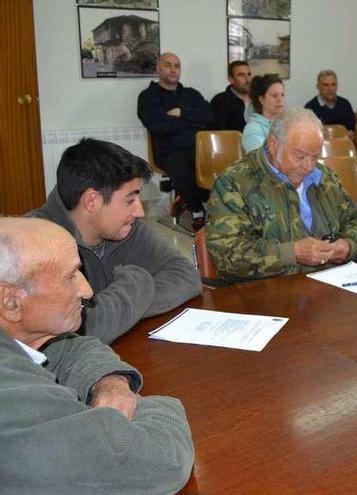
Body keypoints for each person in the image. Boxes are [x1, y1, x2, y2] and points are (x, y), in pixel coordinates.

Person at [0, 217, 194, 493]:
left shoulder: (23, 335)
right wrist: (157, 406)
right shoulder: (11, 397)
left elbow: (69, 347)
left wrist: (112, 384)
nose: (87, 291)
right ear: (11, 303)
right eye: (70, 276)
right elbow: (162, 463)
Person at [28, 138, 201, 344]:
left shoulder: (126, 228)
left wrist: (118, 314)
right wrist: (138, 280)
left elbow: (187, 277)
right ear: (92, 201)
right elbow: (81, 329)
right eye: (130, 200)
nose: (140, 212)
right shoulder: (33, 248)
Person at [206, 108, 357, 282]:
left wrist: (348, 246)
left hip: (331, 286)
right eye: (300, 156)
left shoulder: (325, 177)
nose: (308, 166)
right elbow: (227, 255)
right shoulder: (235, 183)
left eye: (315, 157)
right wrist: (292, 253)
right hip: (269, 293)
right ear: (273, 144)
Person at [137, 52, 214, 228]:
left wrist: (182, 114)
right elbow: (160, 127)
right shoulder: (148, 97)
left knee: (222, 165)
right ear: (158, 68)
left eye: (177, 66)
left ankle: (188, 198)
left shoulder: (191, 94)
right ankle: (197, 209)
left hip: (200, 149)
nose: (173, 70)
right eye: (168, 65)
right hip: (169, 151)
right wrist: (194, 123)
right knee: (182, 165)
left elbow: (210, 115)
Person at [304, 69, 356, 139]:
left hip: (344, 147)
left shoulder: (345, 104)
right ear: (318, 87)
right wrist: (339, 136)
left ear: (337, 86)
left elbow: (352, 131)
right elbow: (310, 137)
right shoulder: (310, 108)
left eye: (333, 84)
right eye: (325, 85)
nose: (330, 88)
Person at [241, 74, 286, 153]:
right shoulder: (253, 129)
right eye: (274, 96)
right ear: (262, 99)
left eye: (282, 95)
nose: (280, 99)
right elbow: (261, 160)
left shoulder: (287, 124)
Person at [211, 60, 252, 132]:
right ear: (231, 79)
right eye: (241, 75)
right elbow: (220, 132)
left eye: (249, 74)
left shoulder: (260, 99)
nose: (248, 79)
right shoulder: (221, 101)